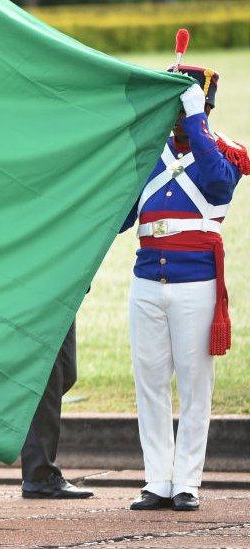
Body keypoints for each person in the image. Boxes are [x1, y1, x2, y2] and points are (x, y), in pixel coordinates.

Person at [121, 65, 247, 512]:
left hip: (196, 283)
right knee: (150, 384)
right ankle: (157, 478)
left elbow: (217, 186)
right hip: (146, 282)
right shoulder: (149, 155)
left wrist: (196, 122)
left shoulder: (223, 155)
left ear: (202, 106)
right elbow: (120, 219)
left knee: (195, 387)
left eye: (183, 106)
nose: (173, 116)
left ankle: (187, 481)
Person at [0, 321, 93, 499]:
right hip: (40, 294)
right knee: (46, 368)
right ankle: (39, 475)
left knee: (65, 372)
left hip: (65, 292)